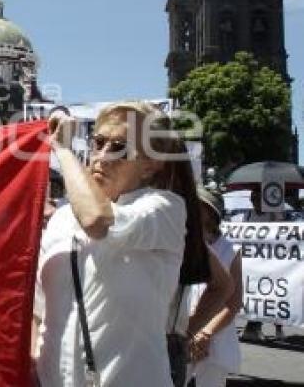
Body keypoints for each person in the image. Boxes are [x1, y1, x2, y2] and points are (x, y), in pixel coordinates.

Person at [34, 101, 213, 387]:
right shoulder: (61, 219)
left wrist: (63, 151)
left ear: (150, 165)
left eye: (119, 147)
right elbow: (37, 312)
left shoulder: (165, 208)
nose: (101, 157)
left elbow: (96, 220)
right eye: (98, 142)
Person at [186, 188, 243, 387]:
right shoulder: (183, 242)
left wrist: (205, 333)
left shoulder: (230, 251)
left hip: (215, 335)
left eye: (198, 205)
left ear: (211, 213)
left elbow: (233, 303)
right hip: (183, 331)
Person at [236, 188, 287, 342]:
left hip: (271, 261)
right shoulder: (248, 215)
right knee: (256, 294)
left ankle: (279, 328)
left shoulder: (273, 214)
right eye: (253, 199)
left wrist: (274, 216)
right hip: (253, 262)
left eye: (257, 198)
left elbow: (283, 232)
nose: (254, 202)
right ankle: (253, 326)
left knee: (274, 294)